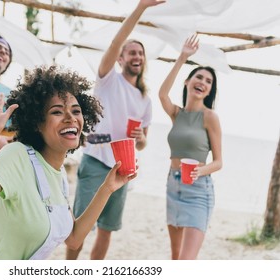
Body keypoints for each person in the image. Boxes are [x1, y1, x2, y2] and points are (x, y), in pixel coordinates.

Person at [0, 65, 138, 260]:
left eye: (76, 111)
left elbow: (73, 239)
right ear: (37, 122)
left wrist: (107, 188)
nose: (71, 118)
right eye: (57, 112)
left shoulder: (59, 174)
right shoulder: (16, 156)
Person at [66, 0, 166, 260]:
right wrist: (141, 8)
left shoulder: (145, 100)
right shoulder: (108, 79)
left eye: (140, 53)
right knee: (79, 227)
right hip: (96, 161)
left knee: (106, 230)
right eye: (131, 52)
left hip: (124, 168)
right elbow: (114, 42)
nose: (137, 56)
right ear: (120, 58)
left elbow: (142, 144)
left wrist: (142, 138)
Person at [158, 34, 223, 260]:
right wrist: (183, 57)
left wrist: (199, 171)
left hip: (198, 191)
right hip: (173, 186)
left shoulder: (210, 117)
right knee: (176, 258)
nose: (203, 82)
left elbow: (218, 162)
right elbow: (162, 94)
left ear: (209, 91)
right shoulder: (177, 114)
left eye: (208, 81)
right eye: (199, 77)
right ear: (187, 82)